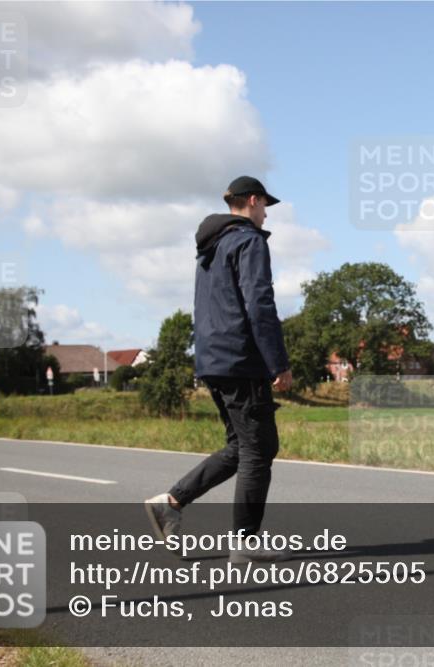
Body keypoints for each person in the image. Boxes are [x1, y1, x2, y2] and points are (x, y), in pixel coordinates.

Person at [145, 176, 294, 564]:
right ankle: (244, 542)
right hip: (242, 360)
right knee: (259, 450)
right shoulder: (249, 241)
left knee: (242, 446)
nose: (265, 215)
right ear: (253, 200)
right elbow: (259, 304)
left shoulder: (210, 247)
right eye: (265, 207)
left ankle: (171, 502)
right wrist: (278, 362)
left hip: (213, 358)